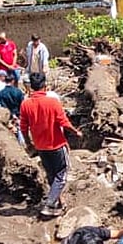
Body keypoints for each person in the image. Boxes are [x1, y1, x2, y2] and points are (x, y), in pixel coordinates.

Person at [20, 72, 82, 216]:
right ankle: (49, 204)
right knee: (63, 173)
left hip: (40, 146)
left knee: (52, 174)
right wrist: (76, 132)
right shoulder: (52, 102)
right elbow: (64, 123)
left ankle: (58, 201)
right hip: (57, 144)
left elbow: (23, 127)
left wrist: (29, 143)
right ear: (45, 86)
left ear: (31, 88)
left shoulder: (26, 104)